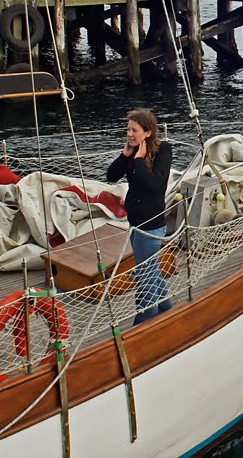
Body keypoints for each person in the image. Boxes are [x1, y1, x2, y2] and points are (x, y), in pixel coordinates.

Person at [105, 108, 173, 325]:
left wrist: (140, 160)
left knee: (144, 276)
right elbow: (111, 176)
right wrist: (125, 156)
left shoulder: (163, 151)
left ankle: (145, 321)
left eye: (134, 130)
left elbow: (154, 184)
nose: (129, 134)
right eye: (128, 129)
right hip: (135, 224)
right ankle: (166, 309)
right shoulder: (131, 153)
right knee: (149, 270)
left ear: (148, 132)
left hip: (151, 225)